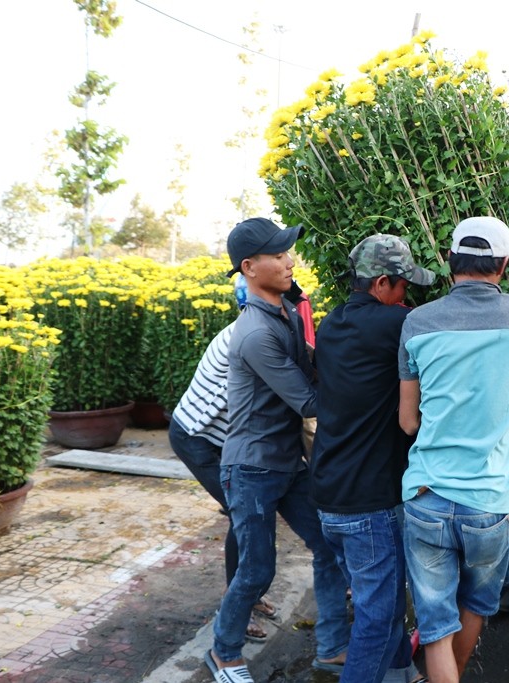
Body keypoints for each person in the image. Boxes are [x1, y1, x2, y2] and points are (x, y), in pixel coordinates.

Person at [397, 217, 509, 683]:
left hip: (425, 494)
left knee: (435, 627)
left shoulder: (416, 321)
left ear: (450, 263)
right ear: (503, 264)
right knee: (477, 604)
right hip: (488, 504)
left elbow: (408, 421)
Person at [205, 217, 350, 683]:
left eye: (289, 251)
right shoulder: (255, 333)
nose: (290, 260)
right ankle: (224, 653)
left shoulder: (284, 311)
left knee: (329, 546)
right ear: (249, 267)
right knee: (256, 569)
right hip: (251, 467)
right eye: (278, 254)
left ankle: (332, 648)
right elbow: (308, 399)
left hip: (288, 461)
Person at [310, 234, 436, 683]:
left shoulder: (330, 324)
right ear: (382, 282)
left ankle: (402, 673)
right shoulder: (396, 325)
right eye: (403, 286)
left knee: (377, 602)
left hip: (327, 496)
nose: (406, 297)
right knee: (377, 618)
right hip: (368, 504)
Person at [169, 277, 279, 645]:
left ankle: (248, 594)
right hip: (196, 439)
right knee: (242, 512)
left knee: (246, 512)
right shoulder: (246, 340)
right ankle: (238, 604)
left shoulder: (256, 330)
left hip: (221, 440)